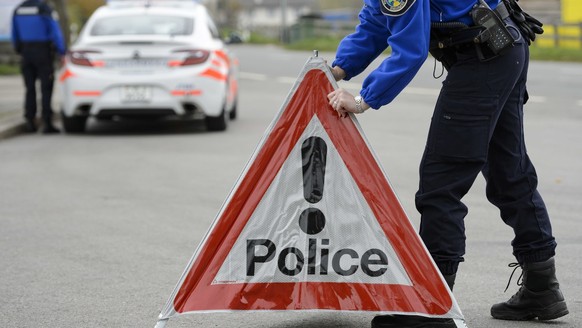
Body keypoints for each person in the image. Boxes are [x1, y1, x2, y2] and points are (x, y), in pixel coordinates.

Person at [326, 0, 568, 326]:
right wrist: (335, 69)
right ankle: (542, 287)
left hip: (482, 56)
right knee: (508, 171)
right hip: (502, 47)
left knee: (441, 183)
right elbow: (376, 23)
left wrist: (361, 100)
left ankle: (433, 305)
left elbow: (410, 50)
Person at [11, 0, 66, 134]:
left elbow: (14, 33)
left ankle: (30, 120)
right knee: (46, 87)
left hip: (26, 52)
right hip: (43, 53)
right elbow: (55, 31)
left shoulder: (18, 9)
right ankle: (47, 122)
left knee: (29, 88)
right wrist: (62, 52)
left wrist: (19, 49)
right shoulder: (44, 9)